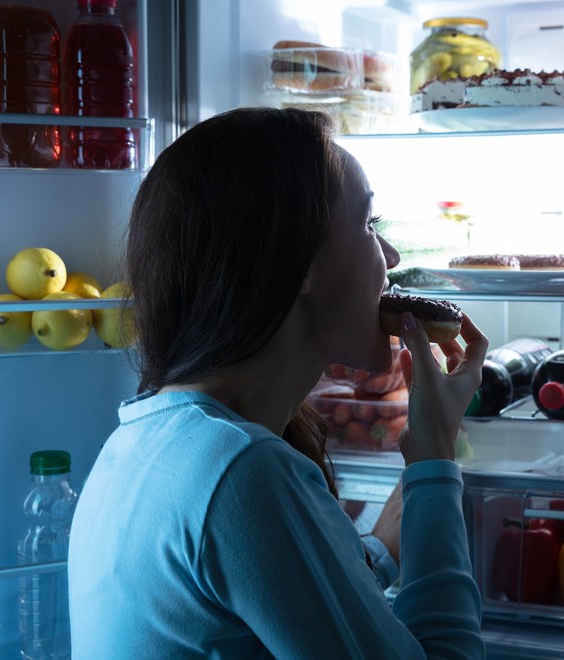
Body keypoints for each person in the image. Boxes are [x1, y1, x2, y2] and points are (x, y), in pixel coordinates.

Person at [68, 107, 488, 659]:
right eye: (368, 224)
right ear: (299, 260)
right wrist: (433, 457)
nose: (391, 257)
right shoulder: (242, 471)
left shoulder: (149, 436)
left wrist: (372, 557)